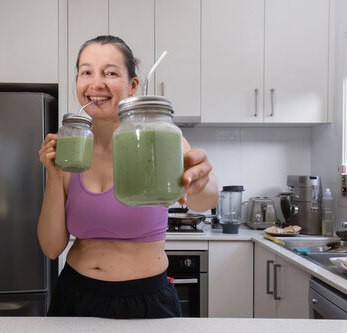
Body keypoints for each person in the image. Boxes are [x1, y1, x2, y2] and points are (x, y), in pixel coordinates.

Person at [38, 35, 219, 318]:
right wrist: (52, 174)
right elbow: (51, 248)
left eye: (110, 73)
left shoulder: (159, 138)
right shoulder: (71, 153)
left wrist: (201, 182)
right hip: (75, 297)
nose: (96, 83)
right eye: (86, 72)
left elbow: (205, 199)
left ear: (133, 85)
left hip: (146, 299)